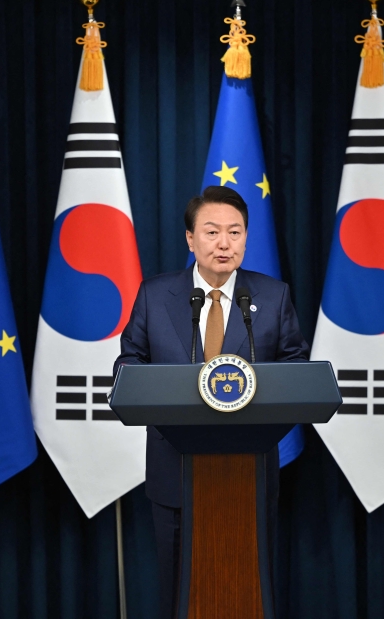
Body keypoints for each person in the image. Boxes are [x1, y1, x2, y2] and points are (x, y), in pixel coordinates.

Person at [115, 185, 310, 617]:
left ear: (245, 238)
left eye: (235, 232)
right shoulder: (155, 294)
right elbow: (128, 366)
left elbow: (297, 370)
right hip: (174, 471)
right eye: (212, 232)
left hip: (250, 472)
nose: (224, 243)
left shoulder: (272, 296)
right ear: (190, 239)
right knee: (177, 593)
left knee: (250, 589)